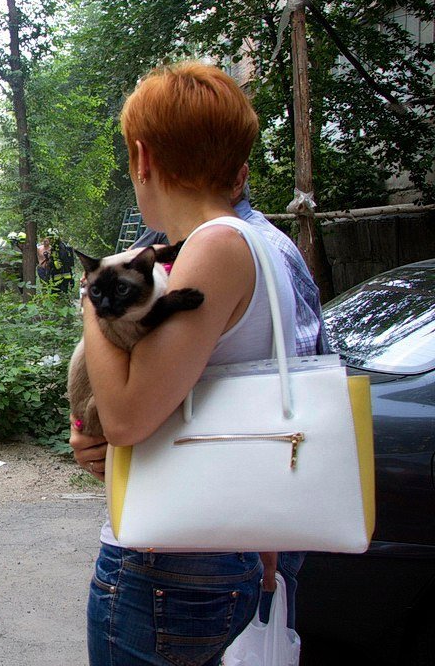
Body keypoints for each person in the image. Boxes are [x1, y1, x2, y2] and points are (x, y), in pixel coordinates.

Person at [73, 63, 309, 665]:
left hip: (170, 566)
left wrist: (91, 301)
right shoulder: (263, 243)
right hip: (216, 552)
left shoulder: (215, 246)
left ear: (143, 157)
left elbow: (126, 418)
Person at [117, 165, 325, 629]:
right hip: (224, 515)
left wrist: (268, 524)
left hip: (228, 521)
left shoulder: (228, 247)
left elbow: (290, 393)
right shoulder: (185, 244)